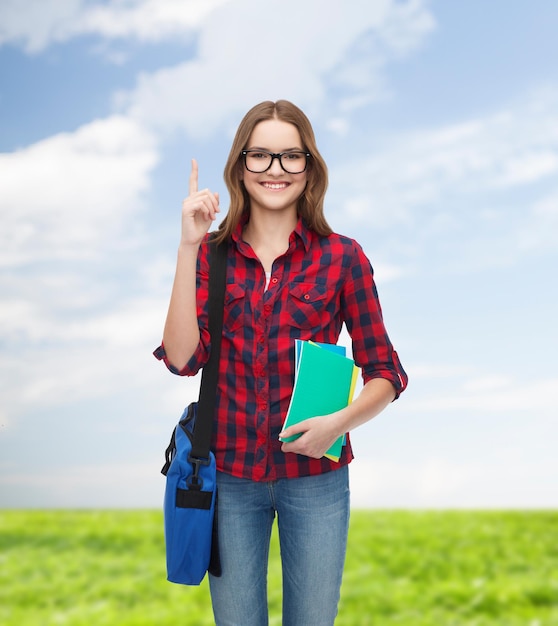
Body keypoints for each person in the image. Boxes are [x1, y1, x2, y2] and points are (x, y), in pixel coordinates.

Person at [154, 100, 408, 626]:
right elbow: (182, 359)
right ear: (240, 167)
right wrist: (187, 245)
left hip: (316, 478)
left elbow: (385, 371)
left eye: (290, 156)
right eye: (261, 156)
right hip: (229, 479)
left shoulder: (343, 257)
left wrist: (337, 425)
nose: (275, 170)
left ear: (309, 168)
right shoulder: (210, 255)